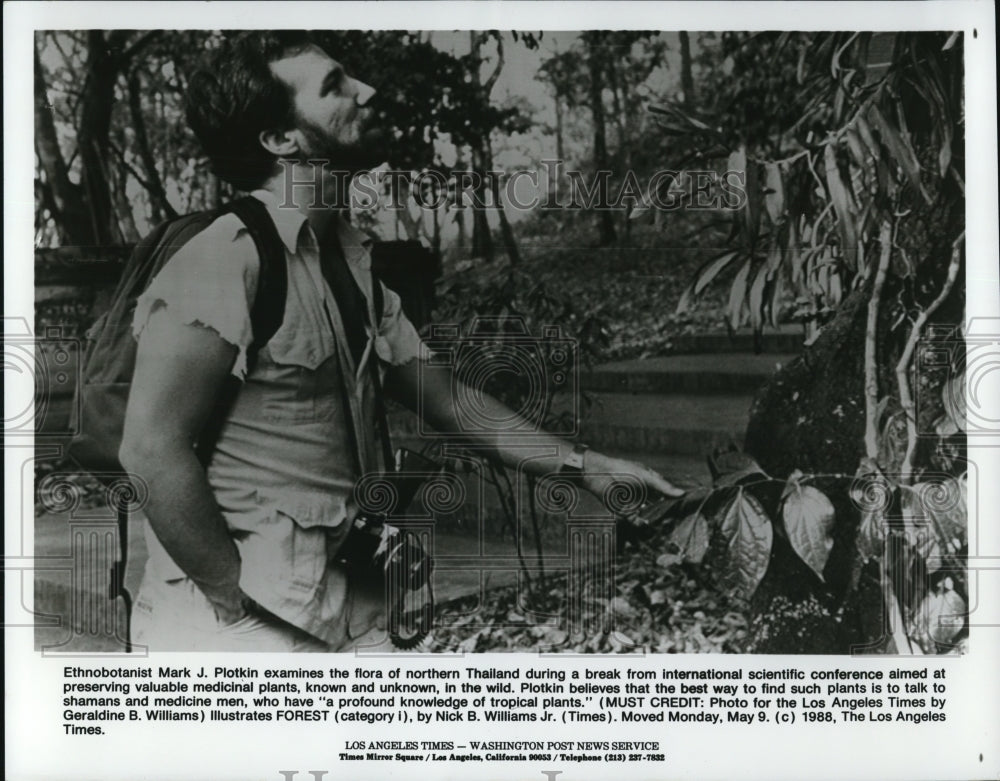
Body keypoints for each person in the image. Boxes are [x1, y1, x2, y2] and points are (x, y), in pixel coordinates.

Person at [119, 31, 684, 652]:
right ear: (282, 140)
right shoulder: (223, 262)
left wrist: (586, 466)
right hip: (236, 627)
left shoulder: (351, 261)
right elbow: (149, 450)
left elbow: (451, 402)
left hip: (347, 603)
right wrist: (233, 604)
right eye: (335, 86)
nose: (367, 91)